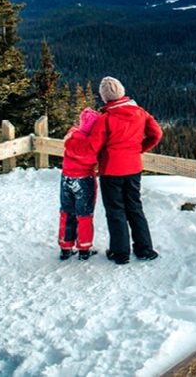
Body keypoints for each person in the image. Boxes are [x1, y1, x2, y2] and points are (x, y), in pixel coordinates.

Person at [69, 76, 163, 265]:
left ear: (104, 98)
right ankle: (145, 249)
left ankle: (120, 253)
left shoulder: (106, 119)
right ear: (122, 92)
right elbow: (156, 134)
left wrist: (72, 140)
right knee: (135, 207)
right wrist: (138, 149)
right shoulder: (140, 112)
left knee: (115, 211)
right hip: (133, 168)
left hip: (111, 170)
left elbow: (91, 148)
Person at [58, 107, 100, 261]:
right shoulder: (93, 144)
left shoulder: (71, 138)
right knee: (84, 214)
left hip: (67, 178)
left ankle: (65, 246)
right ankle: (84, 247)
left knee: (66, 212)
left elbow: (73, 131)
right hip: (84, 180)